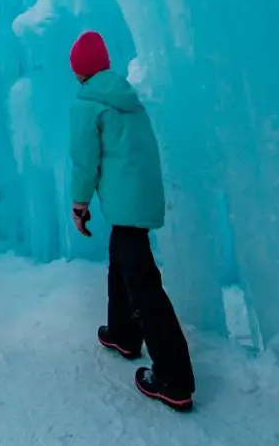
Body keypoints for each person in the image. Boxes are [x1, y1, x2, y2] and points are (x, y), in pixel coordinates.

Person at [68, 31, 196, 412]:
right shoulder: (128, 99)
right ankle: (123, 333)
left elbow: (84, 161)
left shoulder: (88, 104)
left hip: (124, 203)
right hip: (142, 198)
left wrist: (80, 204)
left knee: (144, 285)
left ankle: (174, 378)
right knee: (121, 260)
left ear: (80, 71)